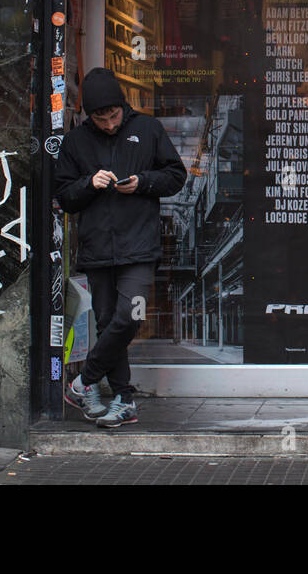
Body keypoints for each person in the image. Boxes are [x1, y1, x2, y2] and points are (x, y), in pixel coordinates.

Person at [53, 68, 186, 427]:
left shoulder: (147, 129)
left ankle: (83, 382)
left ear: (122, 108)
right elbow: (64, 197)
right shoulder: (75, 143)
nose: (110, 125)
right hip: (97, 248)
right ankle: (124, 400)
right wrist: (88, 184)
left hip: (139, 245)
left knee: (131, 316)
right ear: (88, 116)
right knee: (108, 321)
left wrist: (143, 182)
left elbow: (176, 176)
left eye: (113, 116)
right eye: (101, 118)